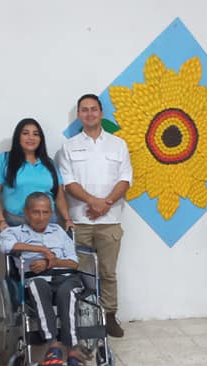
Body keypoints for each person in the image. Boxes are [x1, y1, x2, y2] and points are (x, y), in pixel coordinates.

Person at [55, 94, 132, 338]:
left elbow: (125, 180)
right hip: (79, 221)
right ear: (79, 115)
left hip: (110, 220)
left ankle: (109, 316)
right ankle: (81, 318)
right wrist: (93, 202)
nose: (89, 113)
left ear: (101, 113)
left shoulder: (118, 144)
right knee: (80, 273)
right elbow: (68, 182)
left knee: (108, 272)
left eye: (94, 109)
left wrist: (105, 204)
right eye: (84, 110)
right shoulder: (68, 147)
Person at [0, 192, 97, 366]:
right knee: (36, 286)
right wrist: (41, 249)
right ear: (26, 212)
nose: (41, 217)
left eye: (45, 212)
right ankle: (53, 345)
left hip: (66, 278)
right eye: (36, 212)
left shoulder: (58, 231)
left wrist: (52, 262)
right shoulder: (14, 232)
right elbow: (6, 246)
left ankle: (74, 354)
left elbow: (74, 262)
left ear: (51, 213)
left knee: (67, 292)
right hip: (36, 280)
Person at [0, 118, 71, 231]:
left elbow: (59, 196)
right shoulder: (4, 160)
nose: (31, 137)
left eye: (35, 134)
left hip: (48, 224)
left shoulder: (49, 163)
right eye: (25, 133)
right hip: (15, 223)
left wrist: (67, 219)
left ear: (40, 139)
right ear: (18, 137)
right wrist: (0, 221)